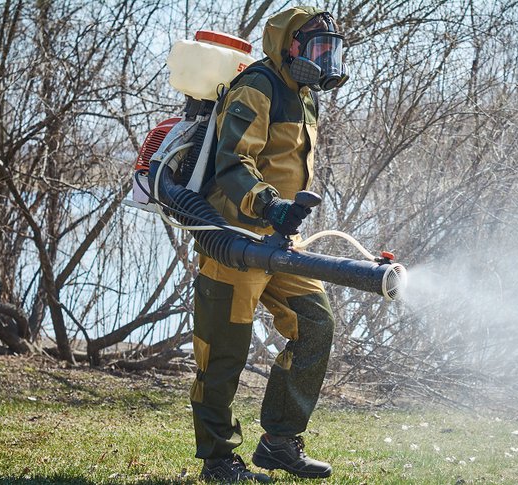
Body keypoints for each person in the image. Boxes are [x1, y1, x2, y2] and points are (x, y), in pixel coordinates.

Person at [190, 6, 348, 483]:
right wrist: (271, 205)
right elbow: (233, 163)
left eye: (330, 50)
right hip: (235, 238)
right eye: (315, 48)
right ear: (288, 45)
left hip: (281, 242)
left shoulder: (306, 97)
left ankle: (279, 442)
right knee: (223, 353)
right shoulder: (257, 86)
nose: (324, 60)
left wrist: (283, 220)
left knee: (316, 324)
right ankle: (218, 460)